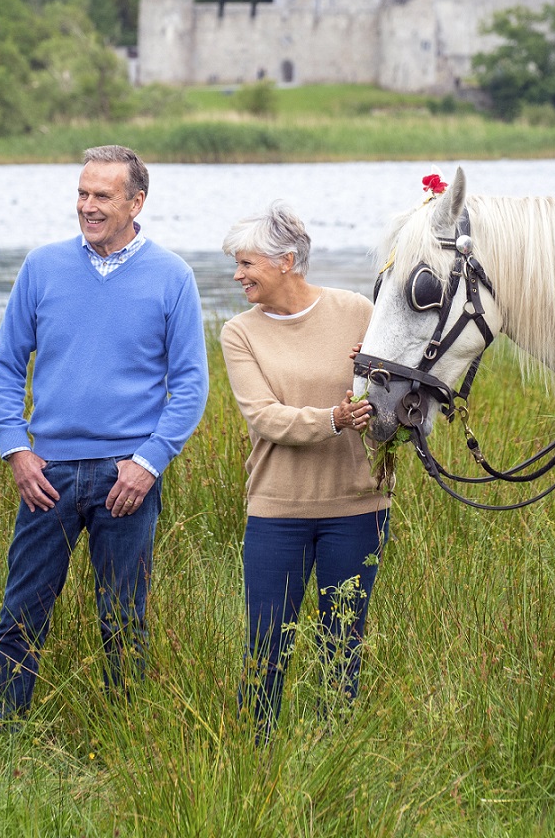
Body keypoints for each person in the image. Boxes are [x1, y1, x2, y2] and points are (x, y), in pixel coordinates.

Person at [0, 145, 208, 734]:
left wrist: (149, 462)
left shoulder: (172, 276)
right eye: (82, 193)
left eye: (102, 195)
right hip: (45, 475)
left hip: (126, 479)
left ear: (137, 202)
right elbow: (4, 368)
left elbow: (190, 385)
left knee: (124, 620)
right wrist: (16, 448)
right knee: (20, 614)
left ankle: (123, 738)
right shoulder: (42, 267)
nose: (87, 206)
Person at [219, 203, 388, 736]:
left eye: (248, 263)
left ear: (287, 261)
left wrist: (379, 374)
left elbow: (396, 393)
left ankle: (332, 749)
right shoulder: (238, 333)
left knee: (343, 641)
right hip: (277, 512)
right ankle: (257, 752)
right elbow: (265, 418)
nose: (238, 275)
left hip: (358, 507)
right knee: (267, 642)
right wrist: (334, 419)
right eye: (237, 264)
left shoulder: (359, 310)